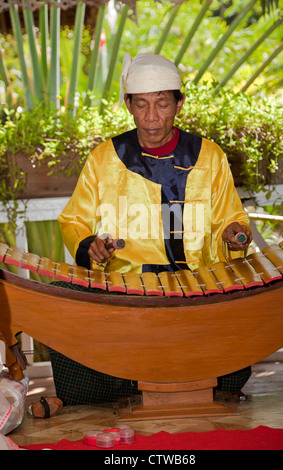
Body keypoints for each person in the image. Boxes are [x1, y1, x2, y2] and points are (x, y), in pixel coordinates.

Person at [50, 52, 252, 406]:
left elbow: (229, 220)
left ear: (179, 103)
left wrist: (235, 234)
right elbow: (74, 219)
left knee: (240, 345)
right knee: (60, 301)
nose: (152, 118)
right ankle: (170, 382)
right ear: (128, 104)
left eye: (162, 104)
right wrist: (88, 245)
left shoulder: (210, 156)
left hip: (198, 288)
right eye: (141, 105)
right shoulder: (104, 158)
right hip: (126, 289)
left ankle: (145, 383)